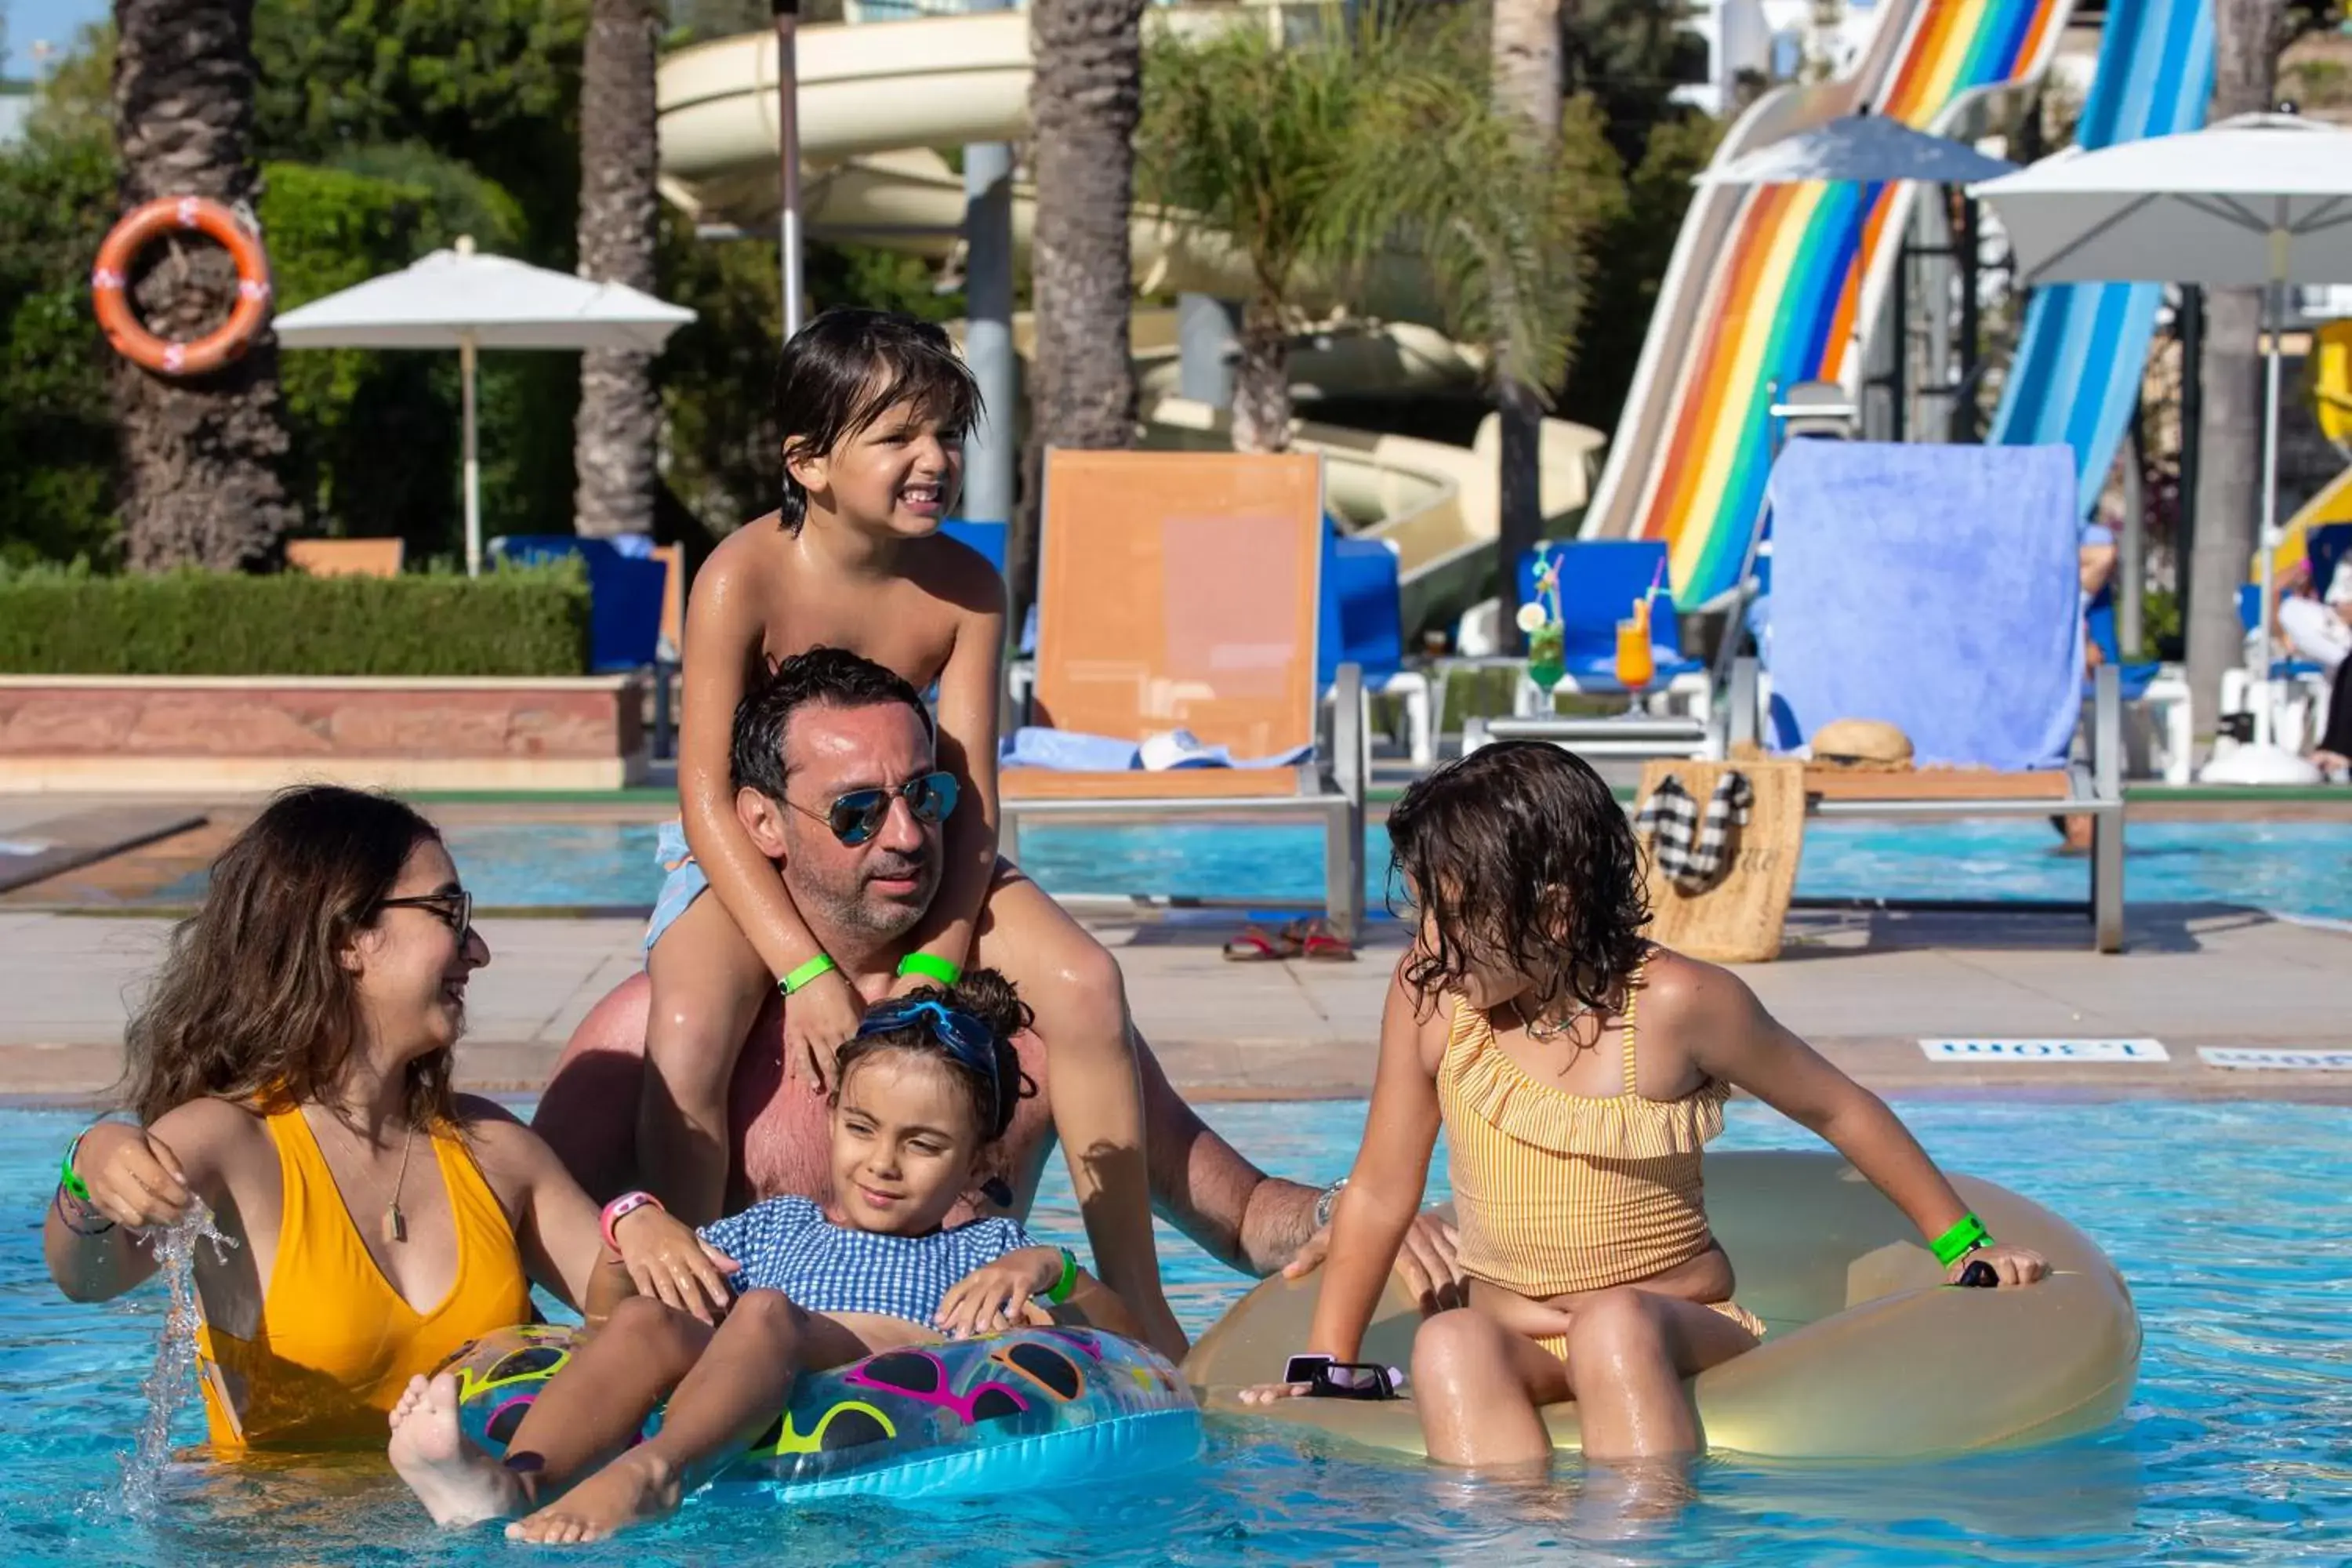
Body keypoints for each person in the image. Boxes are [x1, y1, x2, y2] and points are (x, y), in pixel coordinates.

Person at [536, 651, 1466, 1328]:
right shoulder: (650, 1036)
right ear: (762, 823)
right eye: (859, 811)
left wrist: (1342, 1212)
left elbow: (1236, 1211)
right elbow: (520, 1240)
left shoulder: (1019, 1030)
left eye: (925, 797)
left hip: (972, 1461)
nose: (905, 835)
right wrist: (635, 1222)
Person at [1241, 743, 2049, 1469]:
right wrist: (1327, 1366)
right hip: (1514, 1336)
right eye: (1422, 910)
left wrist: (1964, 1244)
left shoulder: (1676, 1004)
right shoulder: (1433, 997)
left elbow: (1841, 1109)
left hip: (1673, 1323)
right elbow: (1383, 1188)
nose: (1429, 941)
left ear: (1553, 912)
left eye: (1453, 917)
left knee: (1613, 1325)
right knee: (1448, 1340)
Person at [637, 308, 1187, 1359]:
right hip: (749, 853)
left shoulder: (968, 587)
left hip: (929, 839)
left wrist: (938, 949)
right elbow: (704, 798)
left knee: (1085, 985)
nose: (932, 461)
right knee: (690, 1029)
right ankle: (683, 1299)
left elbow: (972, 792)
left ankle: (1140, 1304)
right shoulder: (740, 580)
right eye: (897, 439)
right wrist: (803, 972)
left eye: (944, 435)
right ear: (807, 461)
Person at [42, 788, 728, 1450]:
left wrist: (631, 1220)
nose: (478, 949)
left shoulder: (496, 1151)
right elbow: (89, 1278)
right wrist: (90, 1166)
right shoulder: (229, 1143)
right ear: (346, 937)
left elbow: (621, 1328)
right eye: (449, 913)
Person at [389, 971, 1137, 1542]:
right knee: (659, 1316)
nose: (882, 1163)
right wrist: (632, 1222)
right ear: (832, 1115)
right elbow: (605, 1321)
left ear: (978, 1168)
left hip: (879, 1375)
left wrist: (1049, 1267)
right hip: (748, 1361)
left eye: (924, 1144)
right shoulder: (775, 1226)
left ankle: (656, 1474)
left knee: (766, 1310)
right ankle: (516, 1483)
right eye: (862, 1127)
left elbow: (1129, 1345)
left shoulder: (986, 1249)